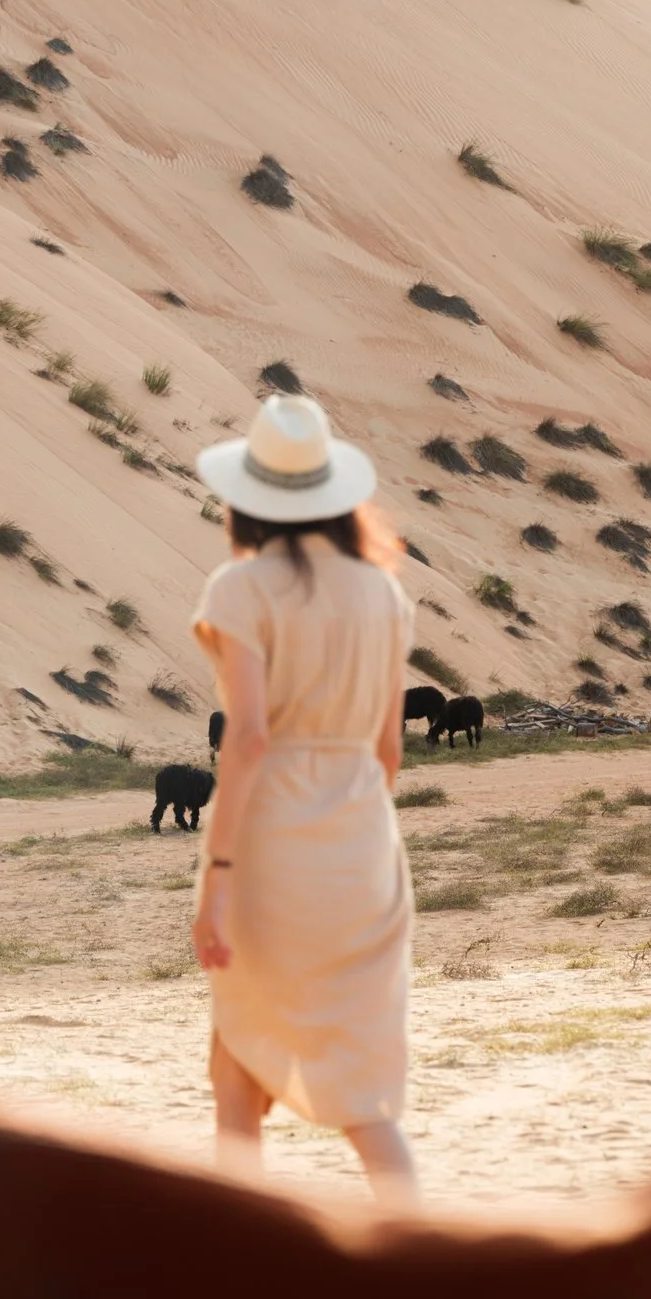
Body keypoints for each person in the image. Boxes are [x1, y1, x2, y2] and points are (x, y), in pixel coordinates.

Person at [189, 395, 420, 1200]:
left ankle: (234, 1256)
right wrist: (350, 820)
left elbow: (248, 738)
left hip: (272, 842)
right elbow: (388, 749)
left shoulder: (240, 589)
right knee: (361, 1083)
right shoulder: (384, 594)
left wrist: (217, 875)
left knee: (236, 1070)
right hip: (364, 844)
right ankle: (412, 1249)